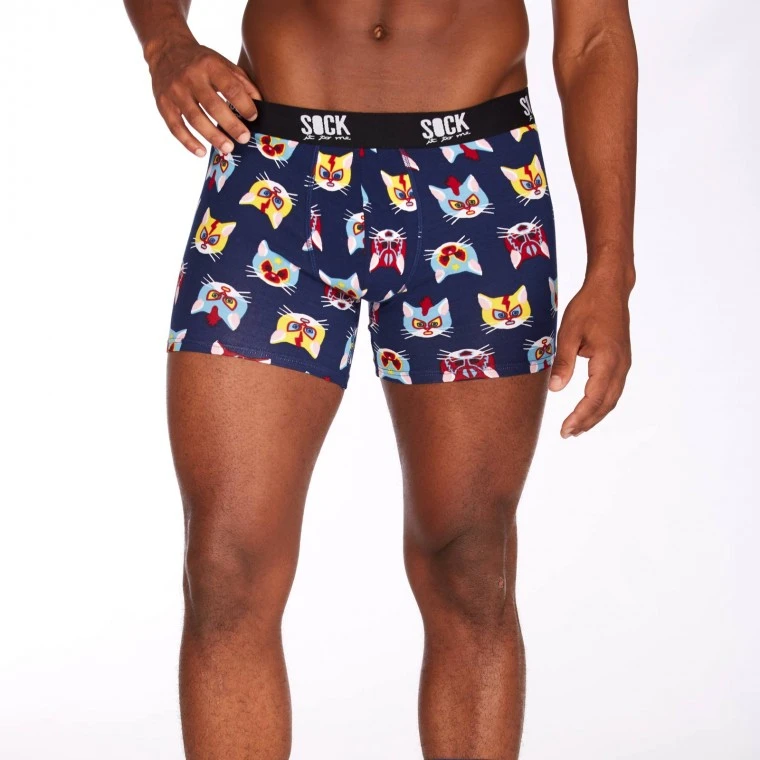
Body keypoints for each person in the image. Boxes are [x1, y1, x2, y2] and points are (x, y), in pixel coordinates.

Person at [124, 1, 637, 757]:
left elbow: (593, 35)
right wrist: (164, 41)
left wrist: (612, 270)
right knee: (225, 569)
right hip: (275, 169)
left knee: (470, 565)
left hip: (476, 172)